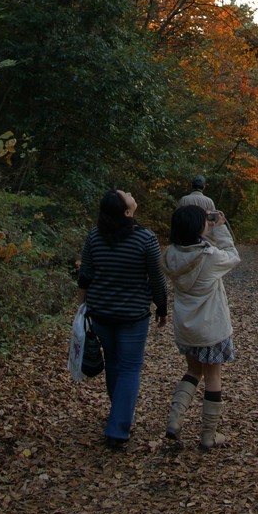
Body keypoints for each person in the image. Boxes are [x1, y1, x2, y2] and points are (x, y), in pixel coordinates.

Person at [77, 188, 167, 449]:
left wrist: (81, 307)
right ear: (127, 210)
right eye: (125, 194)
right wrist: (161, 307)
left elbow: (86, 275)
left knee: (115, 363)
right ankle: (118, 427)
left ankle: (119, 413)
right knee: (129, 367)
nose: (129, 192)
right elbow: (156, 277)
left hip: (101, 313)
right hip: (132, 316)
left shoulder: (95, 236)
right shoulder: (145, 239)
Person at [162, 204, 240, 451]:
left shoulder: (169, 255)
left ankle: (175, 419)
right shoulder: (210, 256)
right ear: (199, 227)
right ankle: (209, 434)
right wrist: (220, 229)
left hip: (186, 327)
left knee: (193, 371)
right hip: (211, 327)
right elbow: (232, 255)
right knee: (213, 376)